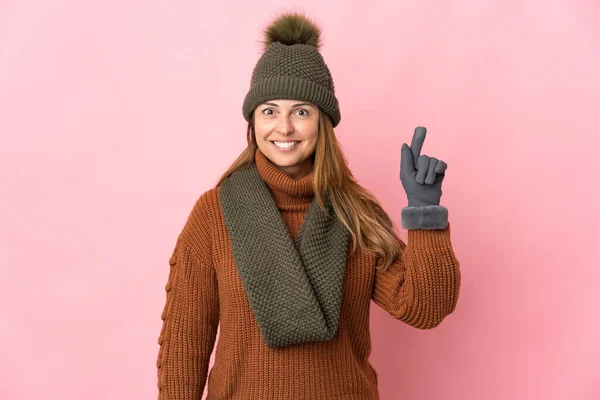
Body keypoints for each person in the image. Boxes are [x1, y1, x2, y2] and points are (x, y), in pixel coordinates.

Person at [155, 11, 461, 400]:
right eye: (269, 111)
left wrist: (425, 213)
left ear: (323, 122)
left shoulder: (355, 213)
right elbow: (185, 341)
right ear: (253, 121)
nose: (283, 128)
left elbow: (424, 308)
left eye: (301, 111)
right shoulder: (215, 214)